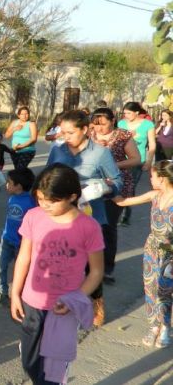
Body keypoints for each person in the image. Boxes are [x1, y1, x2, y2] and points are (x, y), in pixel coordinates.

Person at [10, 164, 105, 385]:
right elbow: (24, 256)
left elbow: (96, 271)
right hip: (32, 303)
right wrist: (15, 292)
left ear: (72, 196)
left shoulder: (88, 227)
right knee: (30, 363)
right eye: (40, 199)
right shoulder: (33, 216)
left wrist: (75, 298)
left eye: (52, 201)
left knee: (52, 371)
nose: (45, 205)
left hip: (64, 308)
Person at [47, 109, 122, 327]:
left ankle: (96, 301)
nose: (65, 137)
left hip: (91, 218)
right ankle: (61, 302)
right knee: (62, 263)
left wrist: (100, 188)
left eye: (70, 132)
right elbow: (48, 177)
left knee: (90, 267)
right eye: (63, 132)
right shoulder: (58, 151)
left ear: (85, 130)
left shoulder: (100, 153)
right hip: (60, 217)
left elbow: (116, 182)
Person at [113, 160, 173, 348]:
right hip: (152, 247)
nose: (150, 178)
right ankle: (153, 326)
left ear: (162, 178)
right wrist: (108, 189)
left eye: (153, 175)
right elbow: (123, 201)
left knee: (165, 290)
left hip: (170, 252)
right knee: (150, 287)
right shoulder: (155, 194)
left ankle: (165, 327)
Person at [90, 107, 141, 285]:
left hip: (116, 187)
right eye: (96, 124)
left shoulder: (122, 135)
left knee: (108, 227)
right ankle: (90, 267)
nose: (99, 128)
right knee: (89, 226)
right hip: (91, 187)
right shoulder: (90, 135)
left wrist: (111, 165)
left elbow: (136, 159)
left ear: (112, 121)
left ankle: (107, 269)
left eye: (103, 124)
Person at [0, 167, 36, 306]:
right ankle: (2, 292)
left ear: (18, 186)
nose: (7, 185)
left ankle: (21, 294)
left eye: (9, 182)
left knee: (21, 270)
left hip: (22, 244)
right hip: (6, 239)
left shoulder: (31, 203)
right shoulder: (11, 198)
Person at [118, 102, 157, 226]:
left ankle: (125, 216)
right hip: (121, 159)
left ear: (137, 113)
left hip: (137, 161)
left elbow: (152, 144)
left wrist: (149, 161)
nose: (126, 115)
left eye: (129, 113)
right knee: (119, 185)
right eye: (124, 113)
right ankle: (117, 210)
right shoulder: (122, 123)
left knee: (130, 187)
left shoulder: (147, 124)